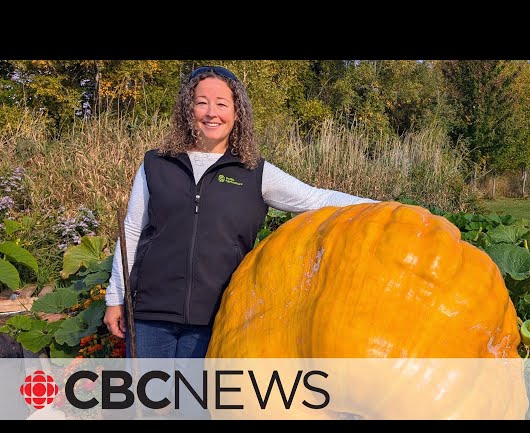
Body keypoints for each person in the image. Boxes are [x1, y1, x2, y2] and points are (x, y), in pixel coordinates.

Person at [103, 65, 377, 359]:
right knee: (149, 400)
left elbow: (314, 198)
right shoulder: (156, 164)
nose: (211, 113)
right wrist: (115, 297)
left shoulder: (255, 173)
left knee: (196, 403)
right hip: (150, 313)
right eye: (201, 102)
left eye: (222, 104)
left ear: (237, 114)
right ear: (188, 109)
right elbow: (131, 230)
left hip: (217, 316)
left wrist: (383, 208)